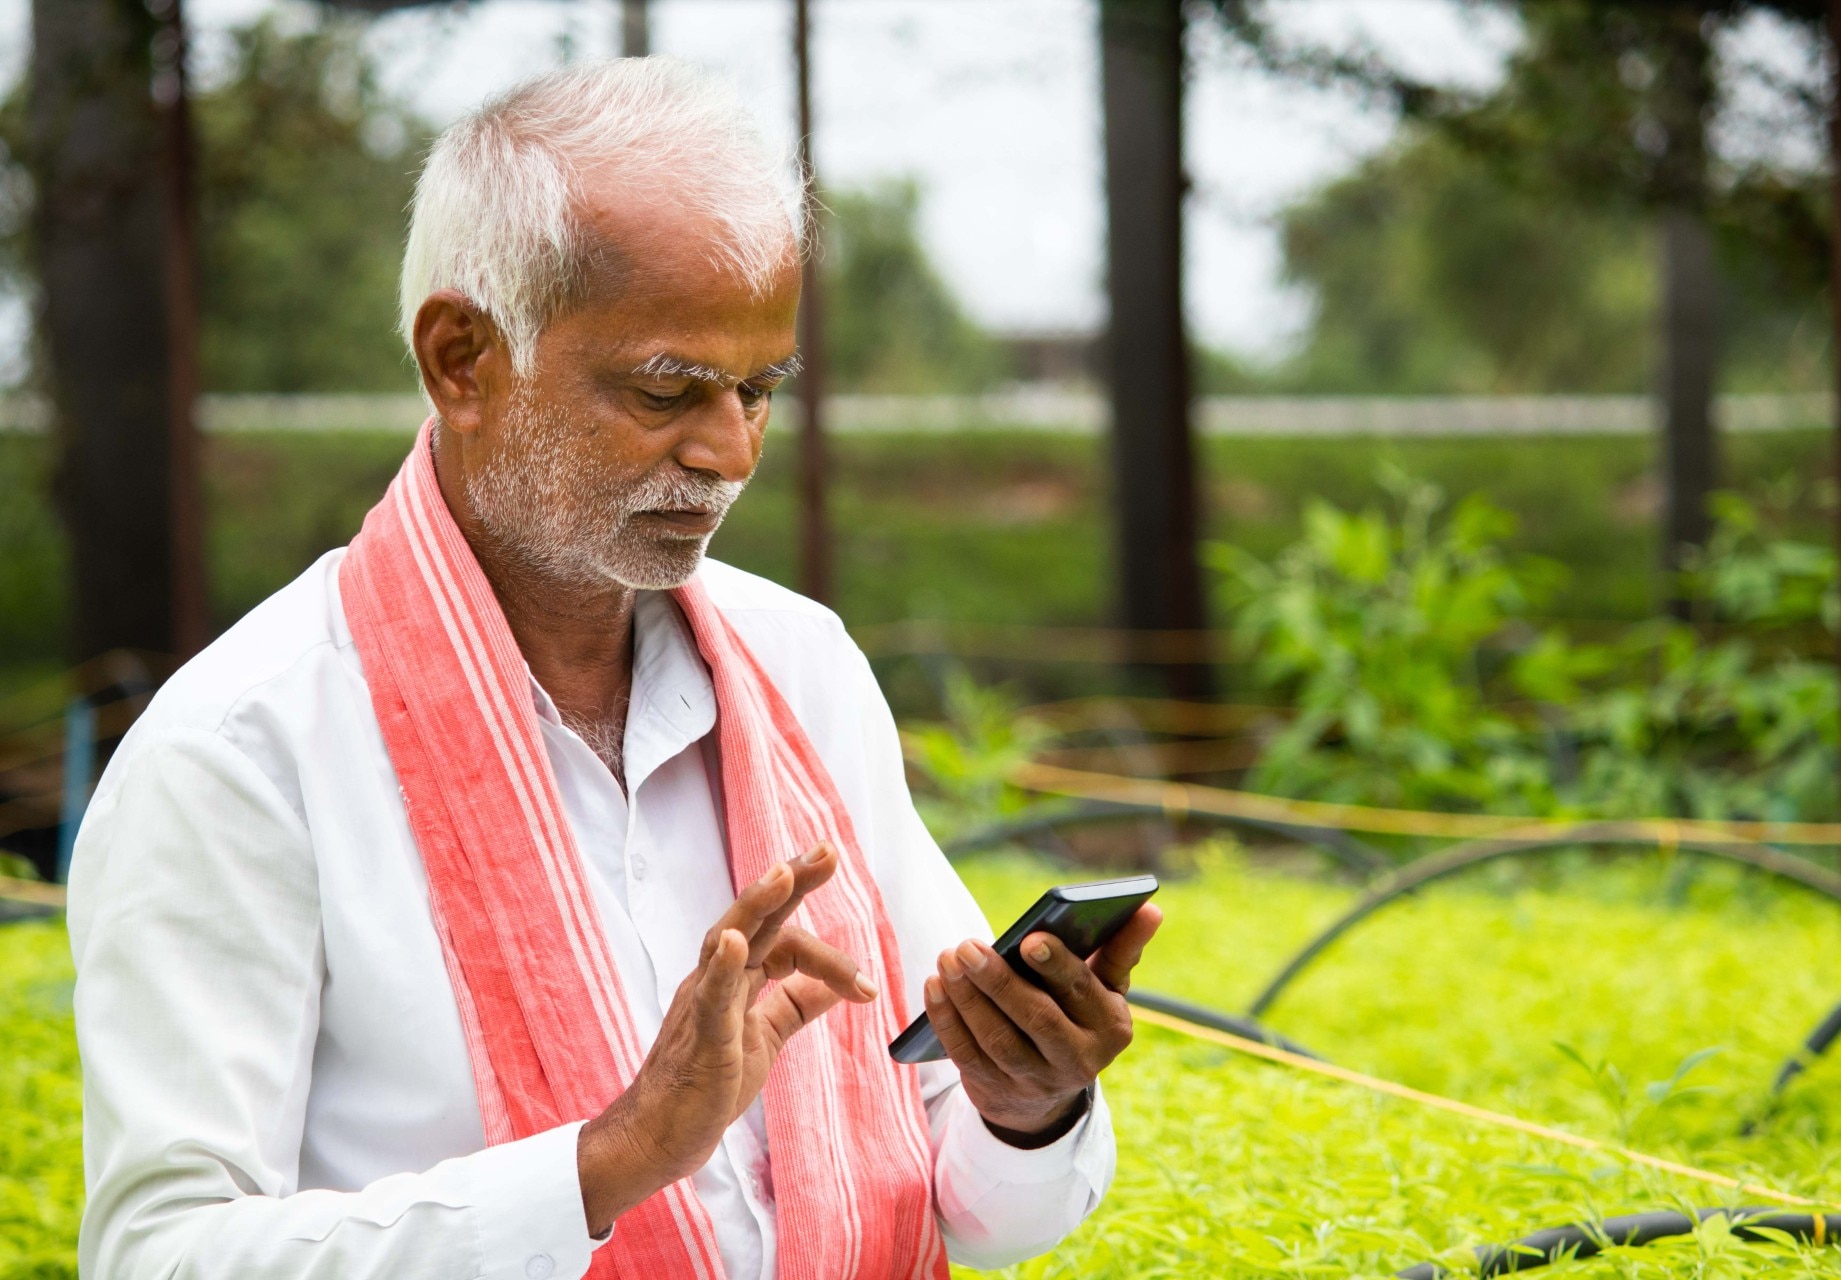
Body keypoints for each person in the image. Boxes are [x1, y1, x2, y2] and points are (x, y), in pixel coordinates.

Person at [67, 56, 1161, 1280]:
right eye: (665, 388)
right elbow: (160, 1255)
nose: (728, 450)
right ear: (462, 360)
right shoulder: (244, 744)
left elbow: (979, 1204)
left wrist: (1028, 1106)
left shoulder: (800, 669)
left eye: (758, 389)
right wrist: (610, 1161)